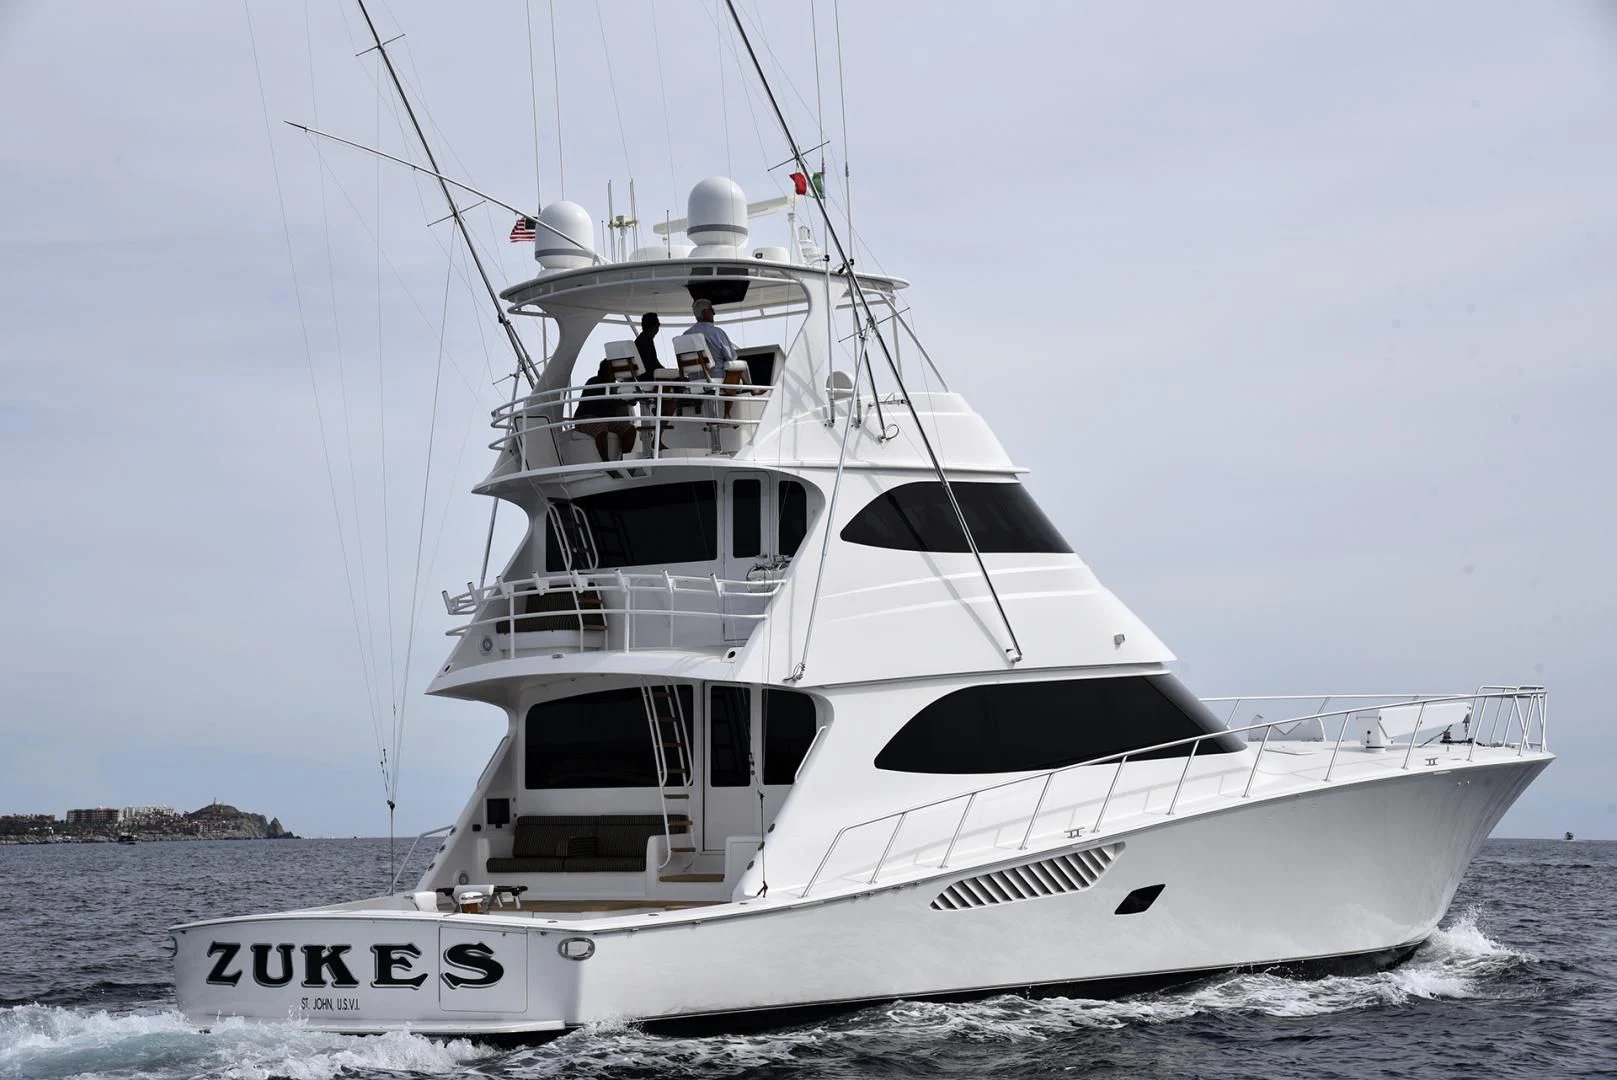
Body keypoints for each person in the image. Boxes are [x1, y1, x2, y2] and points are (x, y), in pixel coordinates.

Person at [573, 358, 638, 461]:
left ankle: (623, 460)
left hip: (606, 420)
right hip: (586, 418)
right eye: (611, 372)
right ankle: (606, 463)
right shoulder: (594, 382)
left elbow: (626, 400)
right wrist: (624, 400)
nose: (613, 376)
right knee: (601, 430)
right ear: (603, 372)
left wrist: (631, 398)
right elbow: (602, 401)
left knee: (630, 430)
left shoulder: (612, 387)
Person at [684, 297, 738, 369]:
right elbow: (731, 357)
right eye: (711, 310)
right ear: (705, 312)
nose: (714, 313)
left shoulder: (685, 335)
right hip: (718, 376)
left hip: (694, 379)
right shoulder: (717, 332)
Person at [633, 312, 660, 378]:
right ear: (655, 327)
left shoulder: (640, 340)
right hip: (647, 377)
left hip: (640, 376)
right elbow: (653, 364)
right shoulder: (646, 341)